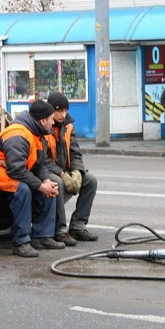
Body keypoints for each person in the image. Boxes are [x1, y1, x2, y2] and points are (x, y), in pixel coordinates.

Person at [0, 100, 65, 258]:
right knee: (22, 189)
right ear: (43, 121)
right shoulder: (18, 134)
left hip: (8, 171)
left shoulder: (37, 133)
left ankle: (43, 236)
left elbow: (39, 165)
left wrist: (45, 181)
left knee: (50, 186)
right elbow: (16, 169)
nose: (53, 122)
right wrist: (39, 185)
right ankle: (21, 242)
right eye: (51, 119)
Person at [44, 92, 99, 245]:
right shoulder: (43, 126)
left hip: (65, 170)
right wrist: (61, 174)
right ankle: (60, 230)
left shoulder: (68, 127)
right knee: (58, 184)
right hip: (47, 172)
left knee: (90, 181)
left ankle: (78, 225)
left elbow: (75, 153)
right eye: (59, 111)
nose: (63, 114)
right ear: (50, 110)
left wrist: (77, 172)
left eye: (65, 111)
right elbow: (42, 160)